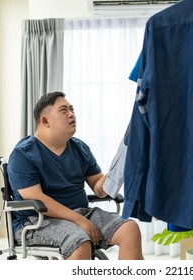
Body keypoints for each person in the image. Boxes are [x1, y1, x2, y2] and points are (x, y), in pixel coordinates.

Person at [7, 91, 144, 260]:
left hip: (81, 213)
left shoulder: (80, 148)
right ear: (45, 120)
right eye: (64, 110)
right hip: (37, 220)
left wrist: (113, 178)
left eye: (72, 109)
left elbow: (98, 188)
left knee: (130, 229)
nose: (72, 114)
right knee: (80, 242)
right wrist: (79, 221)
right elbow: (37, 199)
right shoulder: (23, 154)